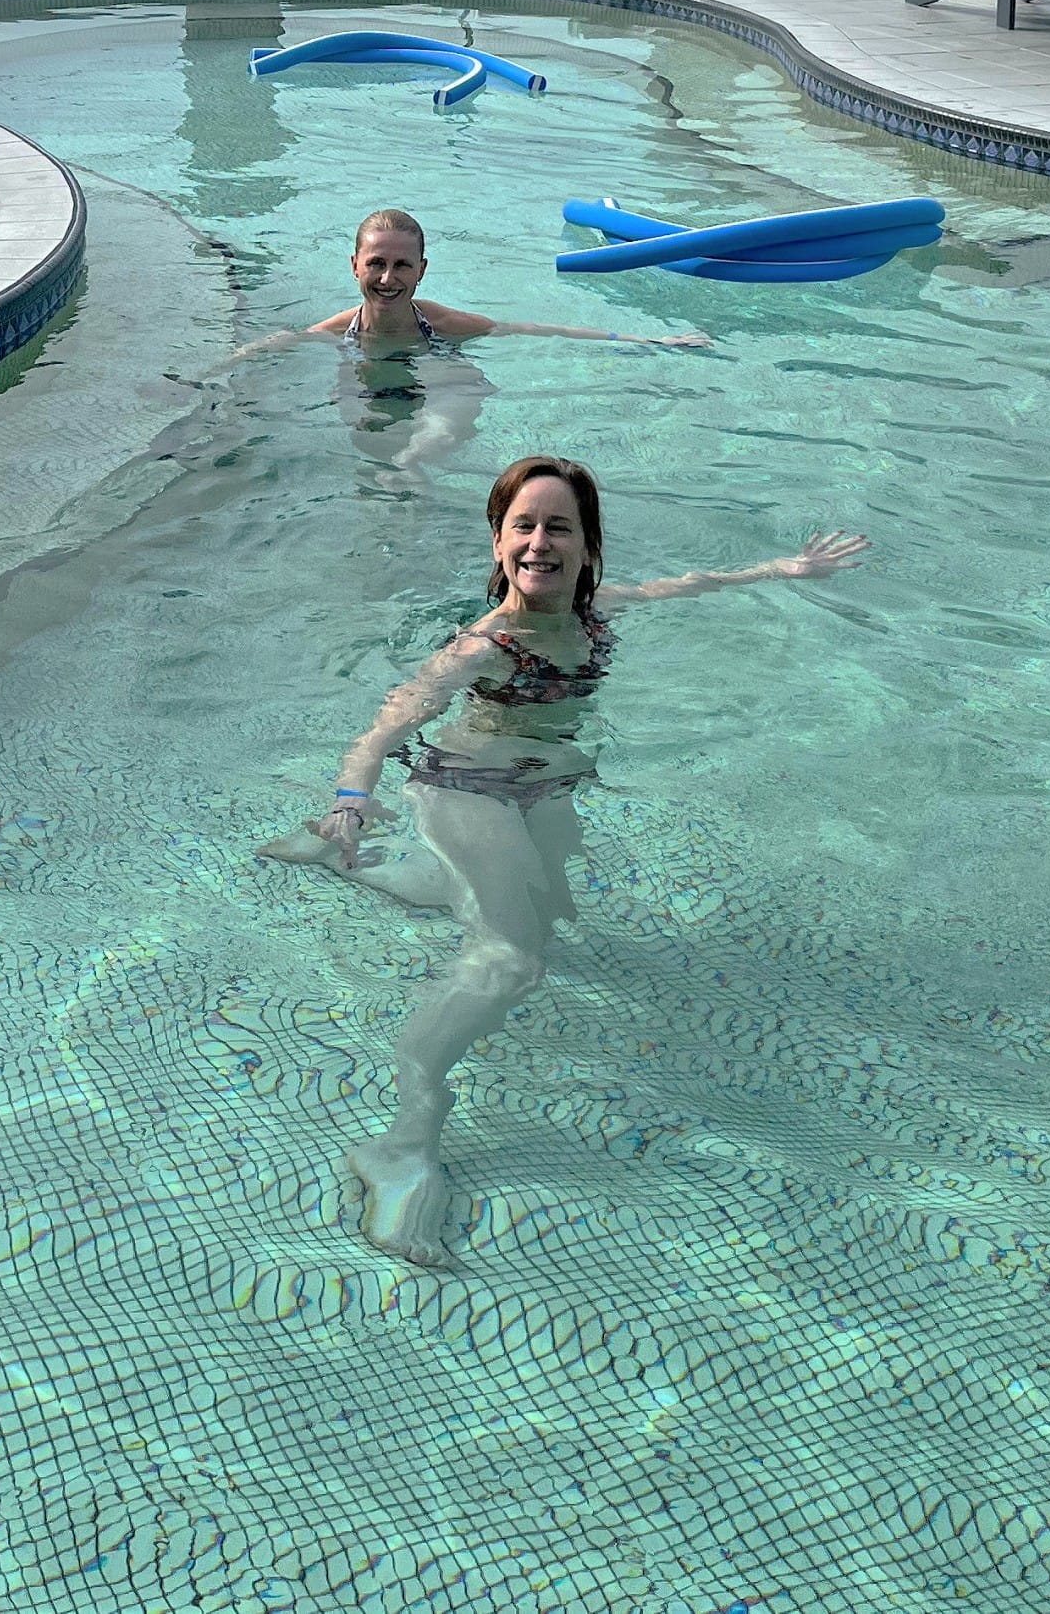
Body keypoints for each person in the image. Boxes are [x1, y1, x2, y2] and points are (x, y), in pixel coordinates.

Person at [264, 453, 867, 1267]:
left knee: (523, 915)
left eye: (559, 526)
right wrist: (348, 796)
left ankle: (343, 861)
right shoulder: (480, 646)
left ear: (589, 547)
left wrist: (784, 568)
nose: (539, 542)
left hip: (540, 791)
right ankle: (402, 1144)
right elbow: (384, 728)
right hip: (467, 791)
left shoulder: (598, 614)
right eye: (523, 524)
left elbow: (687, 583)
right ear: (496, 540)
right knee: (510, 959)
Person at [242, 208, 710, 359]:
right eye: (377, 264)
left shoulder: (441, 323)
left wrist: (648, 338)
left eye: (402, 266)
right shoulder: (336, 332)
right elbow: (284, 342)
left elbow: (530, 329)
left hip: (433, 374)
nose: (388, 279)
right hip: (364, 385)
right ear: (355, 266)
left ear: (421, 270)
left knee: (468, 389)